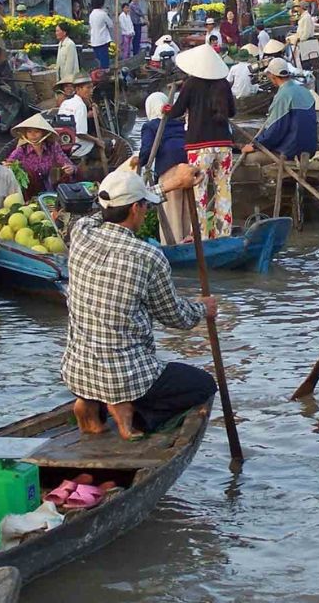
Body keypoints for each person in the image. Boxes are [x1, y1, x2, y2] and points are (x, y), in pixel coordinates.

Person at [62, 161, 218, 441]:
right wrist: (202, 308)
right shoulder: (149, 256)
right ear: (136, 209)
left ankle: (90, 401)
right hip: (126, 377)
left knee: (106, 361)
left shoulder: (81, 231)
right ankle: (129, 412)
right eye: (144, 206)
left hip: (77, 372)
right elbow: (176, 317)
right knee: (204, 385)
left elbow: (104, 210)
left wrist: (171, 184)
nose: (146, 210)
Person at [166, 44, 236, 239]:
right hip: (224, 145)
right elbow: (232, 112)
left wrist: (166, 109)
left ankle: (201, 236)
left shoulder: (191, 84)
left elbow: (177, 111)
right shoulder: (223, 85)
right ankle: (224, 234)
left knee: (199, 191)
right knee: (224, 189)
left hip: (199, 146)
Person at [240, 58, 317, 162]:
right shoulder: (306, 91)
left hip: (290, 151)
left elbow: (275, 131)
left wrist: (255, 146)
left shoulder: (283, 95)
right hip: (310, 149)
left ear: (272, 76)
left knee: (249, 159)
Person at [139, 93, 189, 245]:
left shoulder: (150, 126)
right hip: (189, 166)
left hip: (169, 168)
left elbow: (147, 151)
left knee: (171, 209)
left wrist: (140, 161)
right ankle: (190, 240)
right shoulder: (179, 124)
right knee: (187, 208)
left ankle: (173, 244)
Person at [5, 114, 76, 198]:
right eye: (29, 132)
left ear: (43, 133)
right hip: (29, 190)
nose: (33, 135)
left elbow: (66, 161)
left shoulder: (52, 146)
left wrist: (71, 168)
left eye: (36, 132)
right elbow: (9, 163)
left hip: (48, 187)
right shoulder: (22, 150)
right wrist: (8, 166)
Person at [59, 73, 100, 159]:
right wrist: (96, 140)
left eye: (92, 87)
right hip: (78, 147)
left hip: (65, 144)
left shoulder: (65, 103)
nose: (91, 91)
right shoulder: (81, 105)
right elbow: (80, 133)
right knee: (109, 143)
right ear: (78, 89)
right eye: (88, 88)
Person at [88, 0, 113, 69]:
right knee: (104, 58)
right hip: (102, 39)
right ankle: (105, 71)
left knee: (98, 58)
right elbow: (111, 24)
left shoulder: (91, 14)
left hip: (94, 39)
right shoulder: (103, 14)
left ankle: (99, 70)